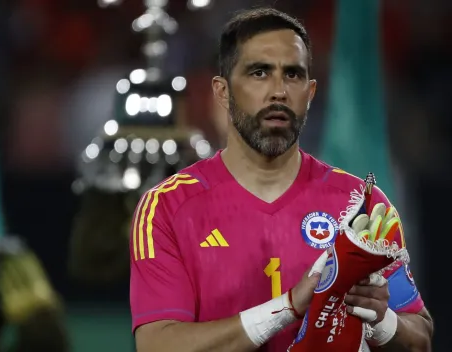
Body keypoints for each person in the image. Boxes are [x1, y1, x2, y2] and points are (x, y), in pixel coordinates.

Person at [129, 7, 433, 352]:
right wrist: (287, 308)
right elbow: (157, 345)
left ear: (311, 92)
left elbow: (420, 338)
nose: (279, 91)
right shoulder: (168, 206)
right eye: (259, 73)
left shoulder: (360, 203)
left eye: (293, 75)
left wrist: (381, 320)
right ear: (222, 92)